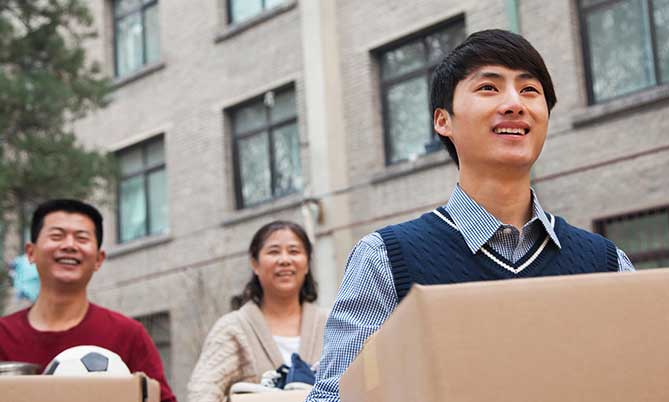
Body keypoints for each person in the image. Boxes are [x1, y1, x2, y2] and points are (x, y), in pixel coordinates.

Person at [305, 29, 636, 402]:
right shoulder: (386, 260)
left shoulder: (608, 264)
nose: (514, 103)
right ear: (443, 121)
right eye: (489, 88)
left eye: (530, 90)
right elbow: (337, 396)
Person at [0, 199, 176, 402]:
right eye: (57, 236)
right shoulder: (3, 336)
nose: (69, 245)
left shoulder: (128, 335)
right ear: (31, 253)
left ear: (99, 259)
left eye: (82, 238)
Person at [188, 221, 328, 402]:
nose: (285, 260)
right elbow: (201, 391)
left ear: (307, 264)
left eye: (294, 251)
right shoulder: (234, 328)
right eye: (274, 252)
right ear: (255, 264)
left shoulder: (333, 324)